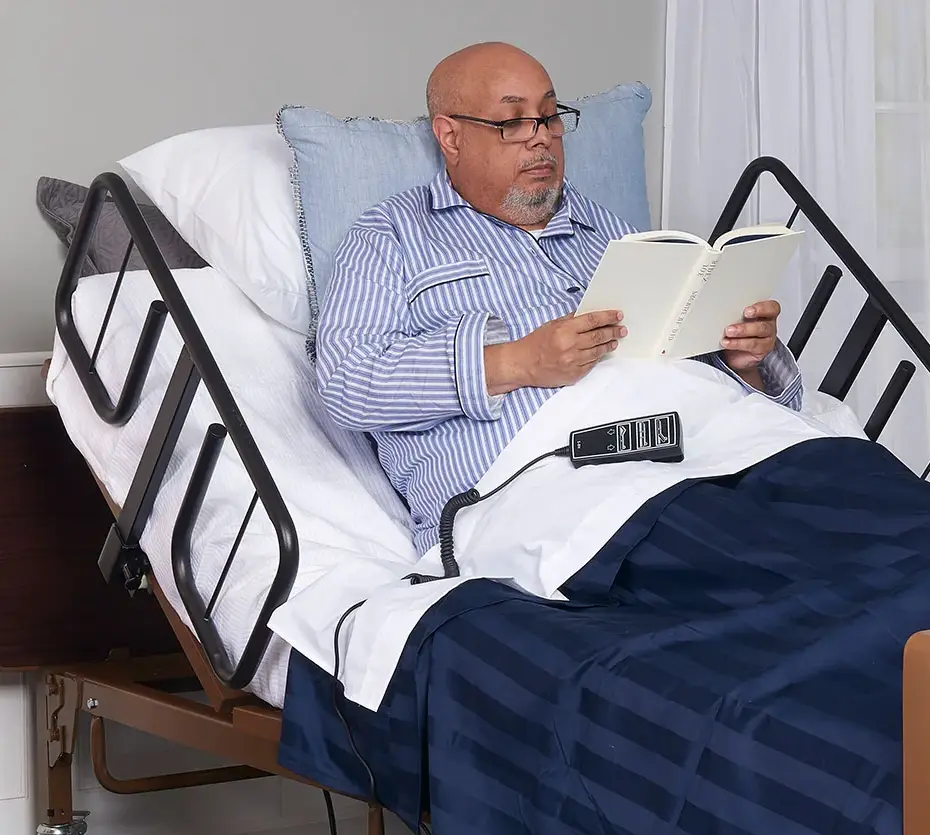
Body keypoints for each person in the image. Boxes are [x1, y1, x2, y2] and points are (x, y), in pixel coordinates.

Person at [315, 42, 804, 555]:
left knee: (855, 491)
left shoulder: (608, 229)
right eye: (513, 123)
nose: (541, 139)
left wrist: (745, 362)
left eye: (549, 117)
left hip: (698, 456)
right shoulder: (389, 236)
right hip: (550, 495)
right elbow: (346, 385)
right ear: (450, 136)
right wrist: (516, 362)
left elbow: (694, 371)